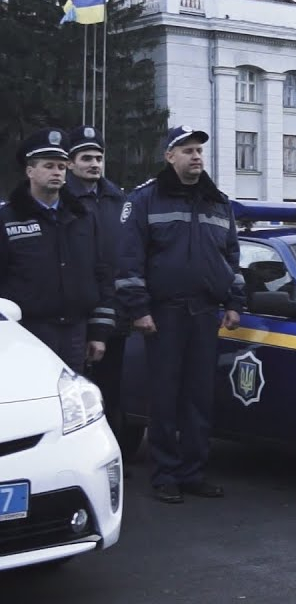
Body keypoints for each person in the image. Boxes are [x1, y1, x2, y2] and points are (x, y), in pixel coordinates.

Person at [117, 125, 244, 504]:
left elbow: (232, 258)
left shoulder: (217, 202)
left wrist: (235, 302)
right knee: (165, 397)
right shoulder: (145, 200)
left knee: (198, 398)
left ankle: (193, 472)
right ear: (169, 156)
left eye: (199, 151)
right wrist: (138, 309)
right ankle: (165, 474)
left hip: (205, 313)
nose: (196, 157)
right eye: (187, 150)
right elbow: (128, 258)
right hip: (163, 313)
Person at [0, 128, 113, 370]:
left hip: (75, 332)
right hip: (25, 332)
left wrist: (99, 331)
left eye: (61, 167)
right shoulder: (8, 218)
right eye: (49, 166)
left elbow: (101, 273)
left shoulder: (83, 217)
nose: (57, 172)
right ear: (30, 171)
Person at [63, 126, 130, 439]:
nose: (94, 163)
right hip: (73, 310)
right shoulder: (61, 198)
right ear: (71, 163)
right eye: (86, 157)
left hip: (114, 310)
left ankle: (109, 453)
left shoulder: (118, 199)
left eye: (99, 157)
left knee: (110, 389)